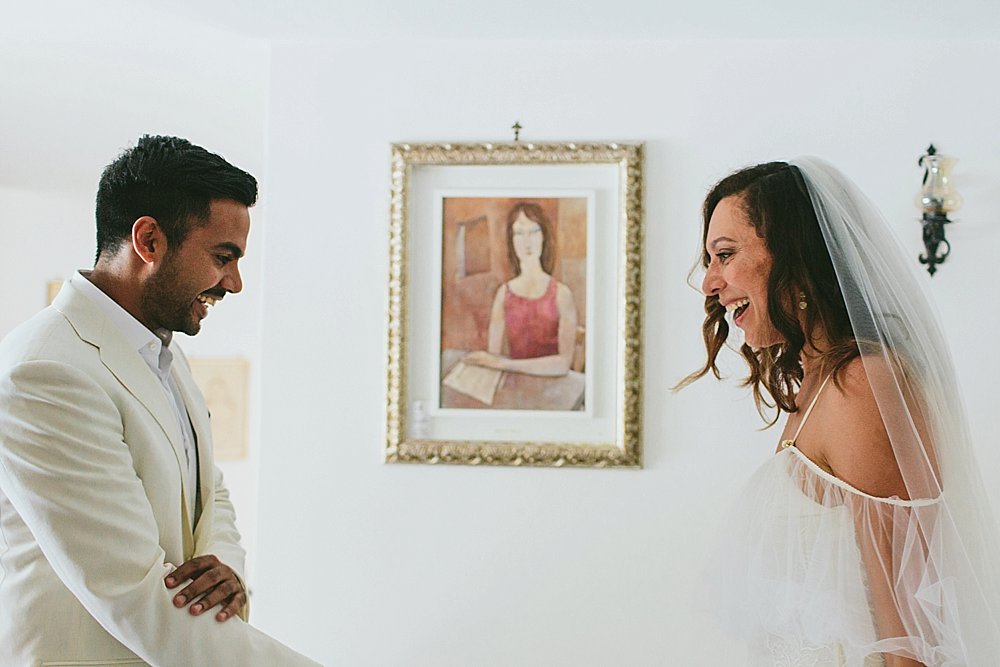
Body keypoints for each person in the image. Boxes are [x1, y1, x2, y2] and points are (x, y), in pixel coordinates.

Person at [0, 135, 319, 665]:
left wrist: (225, 566)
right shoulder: (46, 370)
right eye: (223, 256)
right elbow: (132, 591)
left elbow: (209, 491)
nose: (235, 283)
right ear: (149, 239)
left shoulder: (164, 355)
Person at [682, 159, 1000, 665]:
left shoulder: (863, 384)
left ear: (792, 255)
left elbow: (907, 632)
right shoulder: (818, 381)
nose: (709, 283)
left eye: (725, 255)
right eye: (709, 259)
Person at [464, 201, 578, 377]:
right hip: (516, 387)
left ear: (544, 236)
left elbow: (563, 364)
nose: (527, 242)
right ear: (512, 241)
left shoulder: (562, 294)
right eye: (519, 233)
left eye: (533, 232)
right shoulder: (504, 294)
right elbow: (494, 356)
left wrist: (505, 364)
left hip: (554, 388)